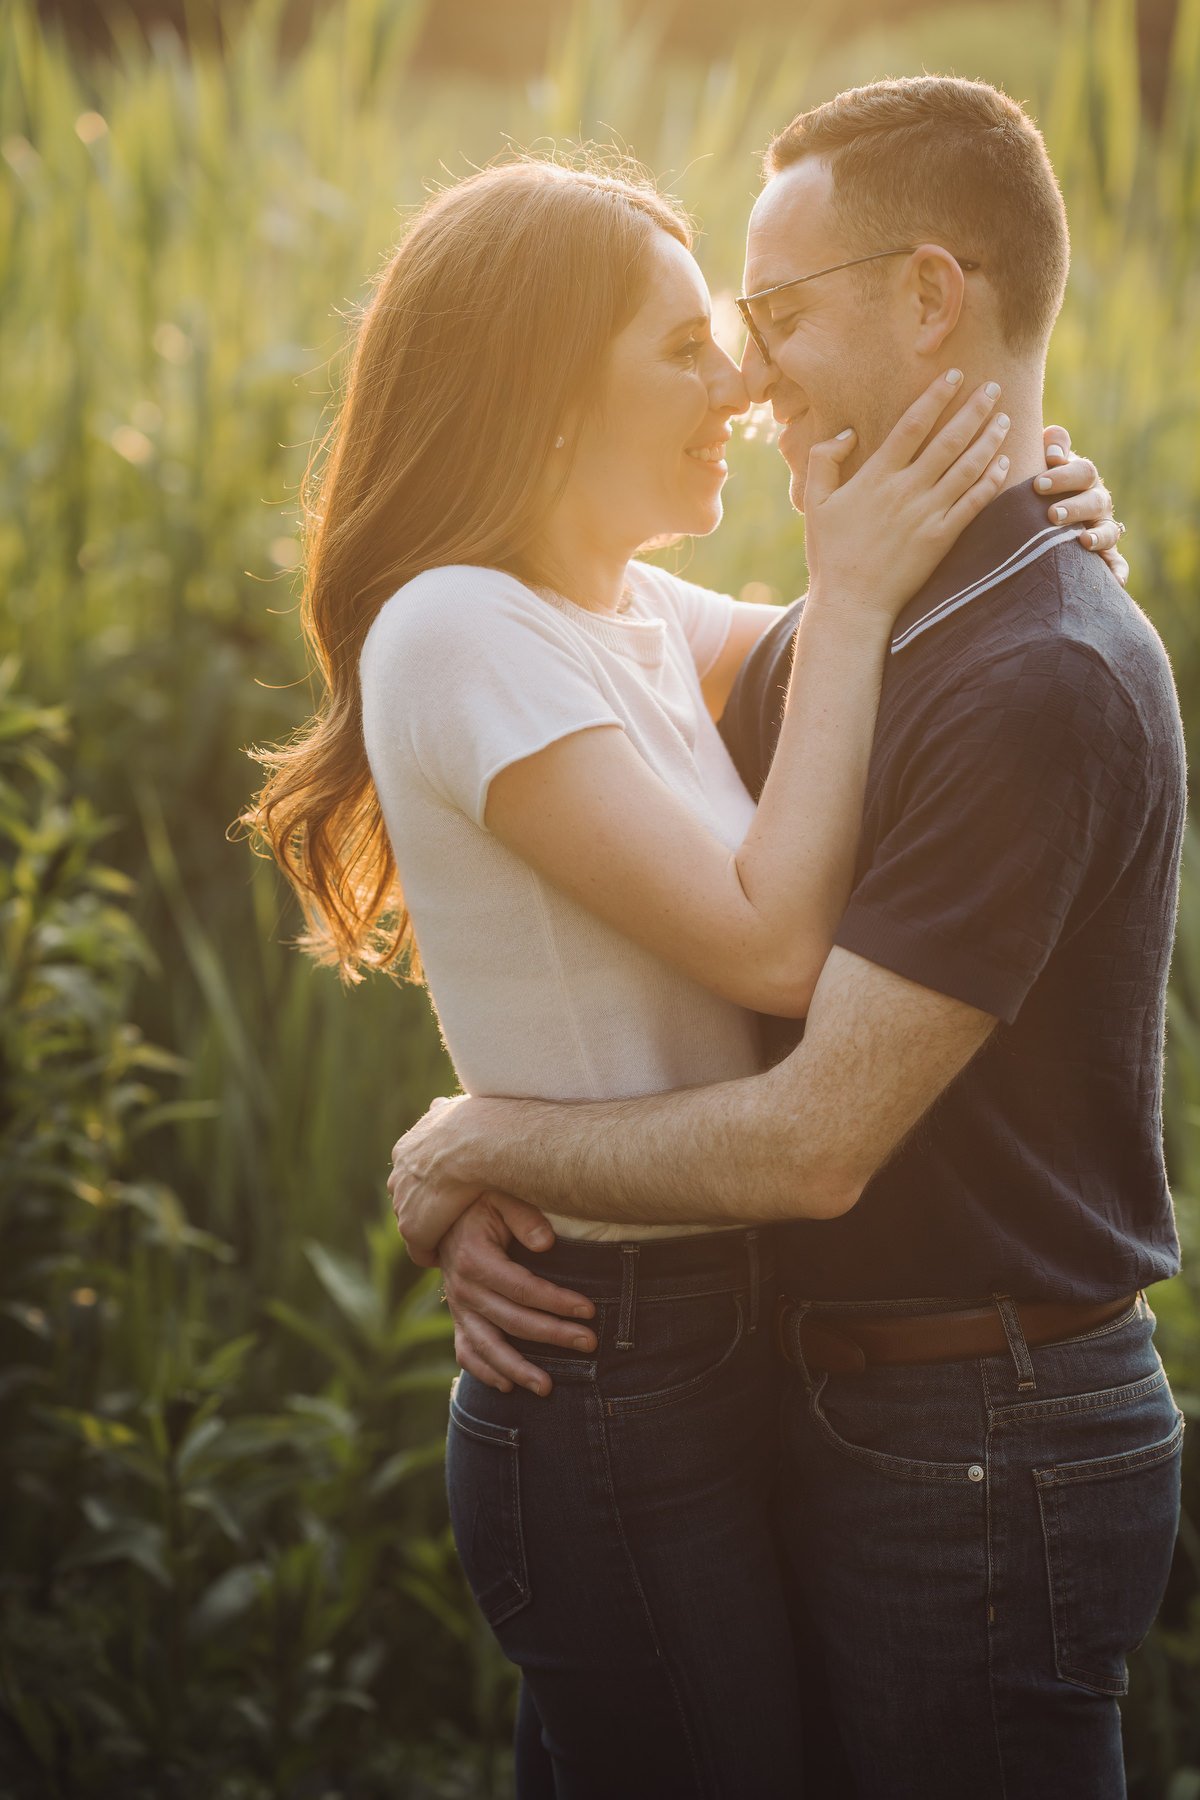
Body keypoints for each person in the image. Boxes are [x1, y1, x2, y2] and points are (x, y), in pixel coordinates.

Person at [388, 79, 1184, 1800]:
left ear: (929, 297)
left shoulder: (1026, 671)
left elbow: (818, 1138)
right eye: (716, 336)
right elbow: (605, 867)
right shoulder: (865, 634)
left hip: (978, 1427)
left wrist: (475, 1148)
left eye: (776, 315)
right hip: (824, 1399)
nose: (752, 375)